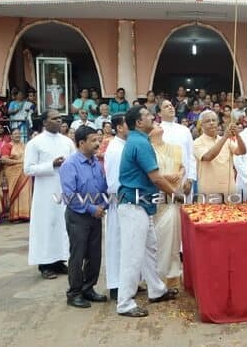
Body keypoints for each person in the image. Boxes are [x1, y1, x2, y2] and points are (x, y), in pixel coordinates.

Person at [116, 105, 179, 317]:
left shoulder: (138, 140)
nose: (153, 117)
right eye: (148, 115)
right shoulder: (140, 143)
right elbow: (156, 177)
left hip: (140, 205)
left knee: (149, 248)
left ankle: (156, 290)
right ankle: (124, 303)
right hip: (134, 205)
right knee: (133, 255)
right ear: (139, 122)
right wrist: (175, 193)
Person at [59, 126, 108, 308]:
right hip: (78, 216)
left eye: (98, 140)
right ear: (81, 143)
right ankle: (74, 293)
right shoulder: (70, 165)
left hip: (96, 214)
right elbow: (70, 195)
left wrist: (103, 205)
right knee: (78, 255)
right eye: (93, 140)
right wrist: (90, 208)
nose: (98, 143)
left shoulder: (96, 163)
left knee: (94, 255)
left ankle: (88, 288)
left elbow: (103, 188)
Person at [24, 110, 76, 279]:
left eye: (60, 118)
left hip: (64, 190)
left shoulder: (67, 142)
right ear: (45, 123)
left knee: (63, 225)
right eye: (54, 119)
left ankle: (60, 260)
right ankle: (45, 264)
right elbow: (28, 169)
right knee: (46, 226)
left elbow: (75, 163)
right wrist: (50, 165)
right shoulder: (35, 143)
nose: (59, 121)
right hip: (45, 193)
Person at [149, 123, 184, 287]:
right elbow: (150, 173)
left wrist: (179, 174)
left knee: (174, 235)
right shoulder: (148, 150)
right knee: (160, 236)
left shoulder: (175, 148)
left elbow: (182, 167)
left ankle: (173, 274)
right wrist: (165, 177)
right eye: (155, 124)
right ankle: (157, 276)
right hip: (158, 197)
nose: (158, 125)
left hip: (174, 196)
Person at [103, 114, 127, 301]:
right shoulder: (115, 149)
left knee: (128, 244)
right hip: (119, 200)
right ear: (119, 127)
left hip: (129, 200)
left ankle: (127, 282)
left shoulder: (124, 145)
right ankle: (116, 286)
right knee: (117, 243)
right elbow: (114, 181)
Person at [193, 110, 246, 196]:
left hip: (229, 190)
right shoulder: (197, 142)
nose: (211, 123)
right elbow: (208, 157)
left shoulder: (226, 140)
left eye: (214, 120)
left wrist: (237, 135)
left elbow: (242, 151)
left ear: (217, 122)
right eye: (207, 121)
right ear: (201, 124)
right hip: (209, 191)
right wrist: (225, 137)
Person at [158, 100, 196, 199]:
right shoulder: (156, 131)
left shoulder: (185, 130)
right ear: (159, 113)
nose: (170, 107)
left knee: (186, 212)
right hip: (164, 181)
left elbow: (191, 155)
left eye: (171, 105)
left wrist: (190, 179)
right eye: (166, 107)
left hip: (185, 180)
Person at [1, 128, 32, 222]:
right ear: (11, 136)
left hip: (25, 174)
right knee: (16, 193)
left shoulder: (25, 145)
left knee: (25, 193)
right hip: (14, 174)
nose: (17, 135)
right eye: (15, 134)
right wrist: (19, 162)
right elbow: (4, 160)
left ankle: (26, 215)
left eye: (19, 134)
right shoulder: (7, 146)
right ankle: (15, 216)